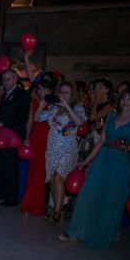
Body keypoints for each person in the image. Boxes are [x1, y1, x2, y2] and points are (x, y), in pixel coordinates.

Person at [61, 86, 130, 248]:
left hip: (121, 163)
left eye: (129, 98)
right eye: (123, 98)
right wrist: (86, 161)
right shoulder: (112, 117)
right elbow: (101, 141)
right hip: (103, 159)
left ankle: (101, 235)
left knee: (111, 200)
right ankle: (76, 232)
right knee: (88, 194)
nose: (125, 102)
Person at [35, 81, 87, 225]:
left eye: (66, 93)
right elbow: (37, 118)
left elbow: (80, 122)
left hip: (68, 148)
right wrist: (40, 106)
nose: (63, 95)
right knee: (53, 179)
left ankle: (57, 211)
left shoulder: (78, 108)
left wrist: (67, 106)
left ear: (72, 95)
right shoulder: (53, 107)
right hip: (52, 147)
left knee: (59, 177)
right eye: (61, 92)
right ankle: (58, 209)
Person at [0, 70, 31, 207]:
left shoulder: (22, 95)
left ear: (15, 79)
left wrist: (4, 123)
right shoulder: (6, 95)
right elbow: (3, 115)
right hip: (1, 134)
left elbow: (21, 117)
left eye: (8, 79)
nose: (5, 82)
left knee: (10, 166)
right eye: (4, 79)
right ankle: (0, 193)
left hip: (13, 135)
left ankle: (12, 197)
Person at [20, 79, 53, 216]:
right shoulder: (34, 102)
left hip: (48, 139)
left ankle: (35, 206)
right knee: (33, 172)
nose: (40, 91)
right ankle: (28, 205)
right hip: (35, 139)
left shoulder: (54, 104)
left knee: (40, 174)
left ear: (50, 90)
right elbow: (29, 121)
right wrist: (27, 138)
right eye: (39, 89)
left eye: (43, 89)